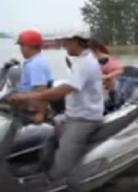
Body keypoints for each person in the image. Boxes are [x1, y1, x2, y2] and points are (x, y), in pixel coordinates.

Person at [9, 30, 105, 181]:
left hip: (84, 119)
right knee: (49, 139)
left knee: (63, 163)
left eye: (66, 42)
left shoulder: (85, 64)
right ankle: (41, 170)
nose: (64, 45)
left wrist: (29, 96)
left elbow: (64, 90)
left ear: (76, 42)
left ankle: (57, 182)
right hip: (72, 115)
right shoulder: (80, 60)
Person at [15, 30, 53, 123]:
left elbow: (42, 90)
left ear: (30, 46)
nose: (20, 49)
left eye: (22, 46)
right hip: (28, 107)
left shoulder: (35, 65)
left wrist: (41, 113)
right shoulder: (36, 61)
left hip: (33, 111)